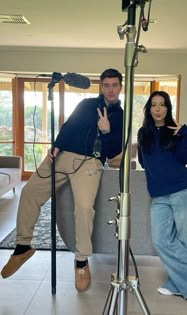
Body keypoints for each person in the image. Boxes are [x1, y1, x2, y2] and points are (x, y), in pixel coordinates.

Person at [1, 68, 124, 293]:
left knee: (85, 208)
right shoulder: (87, 104)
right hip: (62, 155)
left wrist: (106, 131)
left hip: (90, 163)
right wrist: (56, 145)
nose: (110, 90)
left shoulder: (120, 115)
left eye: (114, 85)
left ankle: (81, 261)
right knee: (29, 192)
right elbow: (69, 125)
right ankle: (22, 247)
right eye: (106, 85)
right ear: (101, 87)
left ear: (120, 87)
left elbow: (114, 149)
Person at [137, 91, 187, 303]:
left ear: (168, 108)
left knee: (185, 242)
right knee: (161, 239)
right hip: (159, 197)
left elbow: (184, 158)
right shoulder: (142, 133)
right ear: (148, 108)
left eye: (162, 105)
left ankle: (178, 285)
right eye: (154, 104)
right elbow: (145, 162)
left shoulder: (176, 131)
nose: (157, 108)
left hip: (183, 191)